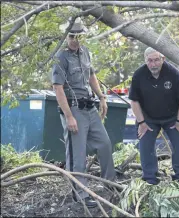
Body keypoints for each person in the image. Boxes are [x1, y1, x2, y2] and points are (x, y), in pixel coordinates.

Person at [51, 17, 115, 208]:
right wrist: (69, 116)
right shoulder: (60, 57)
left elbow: (92, 75)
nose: (74, 40)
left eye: (78, 36)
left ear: (83, 37)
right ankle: (80, 196)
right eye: (71, 36)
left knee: (105, 145)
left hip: (90, 107)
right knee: (77, 155)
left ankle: (110, 186)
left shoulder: (85, 52)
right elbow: (57, 88)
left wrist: (102, 97)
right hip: (74, 109)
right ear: (66, 36)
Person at [129, 47, 179, 185]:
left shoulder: (173, 73)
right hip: (148, 117)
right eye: (150, 61)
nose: (153, 64)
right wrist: (142, 123)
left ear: (163, 59)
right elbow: (134, 100)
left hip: (173, 117)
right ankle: (150, 179)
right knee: (145, 144)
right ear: (145, 61)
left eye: (156, 60)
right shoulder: (139, 74)